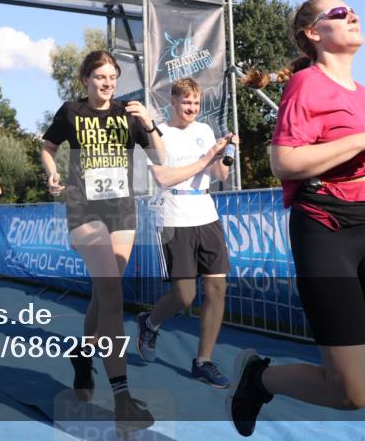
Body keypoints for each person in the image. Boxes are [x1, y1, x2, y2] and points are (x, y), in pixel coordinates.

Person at [228, 0, 365, 441]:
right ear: (314, 33)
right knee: (353, 390)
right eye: (339, 13)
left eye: (353, 8)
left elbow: (364, 157)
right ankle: (259, 378)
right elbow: (285, 163)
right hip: (325, 229)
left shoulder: (364, 94)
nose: (352, 14)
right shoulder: (305, 85)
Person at [40, 50, 165, 435]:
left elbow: (159, 158)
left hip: (122, 211)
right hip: (83, 210)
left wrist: (151, 122)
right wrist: (52, 174)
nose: (108, 83)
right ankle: (122, 397)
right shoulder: (71, 112)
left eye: (113, 77)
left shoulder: (129, 113)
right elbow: (47, 146)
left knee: (104, 292)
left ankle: (82, 352)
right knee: (111, 294)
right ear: (86, 80)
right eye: (100, 77)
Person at [136, 78, 238, 389]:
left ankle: (203, 361)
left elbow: (219, 174)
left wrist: (226, 154)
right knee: (185, 295)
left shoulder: (204, 132)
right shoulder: (159, 134)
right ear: (173, 102)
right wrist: (207, 158)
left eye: (196, 102)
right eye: (186, 102)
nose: (192, 108)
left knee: (217, 289)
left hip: (206, 214)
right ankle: (150, 322)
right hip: (173, 217)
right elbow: (165, 177)